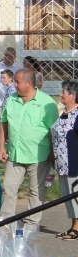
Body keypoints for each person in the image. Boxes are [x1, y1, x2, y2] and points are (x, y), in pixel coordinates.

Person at [0, 69, 59, 230]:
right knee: (9, 188)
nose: (14, 85)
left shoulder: (47, 103)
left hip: (38, 156)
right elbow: (3, 122)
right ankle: (5, 222)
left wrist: (53, 154)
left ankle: (32, 224)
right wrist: (1, 146)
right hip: (15, 153)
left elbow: (54, 130)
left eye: (17, 82)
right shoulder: (11, 99)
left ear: (29, 84)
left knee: (36, 191)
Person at [51, 80, 78, 239]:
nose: (61, 94)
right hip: (62, 165)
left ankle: (77, 228)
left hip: (74, 164)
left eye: (64, 92)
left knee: (75, 196)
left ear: (73, 96)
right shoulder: (64, 114)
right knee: (68, 196)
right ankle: (73, 226)